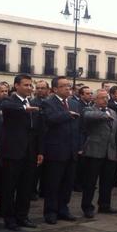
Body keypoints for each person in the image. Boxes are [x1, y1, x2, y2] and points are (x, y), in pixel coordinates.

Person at [0, 74, 42, 230]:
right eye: (26, 85)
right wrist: (25, 108)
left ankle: (22, 216)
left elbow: (37, 130)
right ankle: (9, 218)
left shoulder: (34, 103)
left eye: (31, 85)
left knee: (26, 186)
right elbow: (6, 107)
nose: (29, 88)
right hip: (13, 151)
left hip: (30, 152)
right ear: (16, 86)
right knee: (9, 186)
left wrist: (39, 151)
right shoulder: (9, 101)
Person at [41, 76, 81, 224]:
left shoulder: (74, 103)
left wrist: (79, 146)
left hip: (72, 150)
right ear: (55, 89)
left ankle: (63, 209)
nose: (67, 88)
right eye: (64, 86)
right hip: (56, 150)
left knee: (67, 183)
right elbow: (50, 119)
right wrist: (67, 114)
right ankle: (50, 211)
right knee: (53, 184)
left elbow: (79, 127)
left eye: (69, 85)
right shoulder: (48, 103)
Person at [81, 90, 117, 216]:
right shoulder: (88, 110)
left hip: (110, 151)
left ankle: (105, 205)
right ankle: (87, 207)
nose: (105, 100)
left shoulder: (113, 112)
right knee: (90, 182)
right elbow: (89, 116)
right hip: (94, 152)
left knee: (107, 181)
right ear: (95, 99)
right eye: (102, 98)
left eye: (107, 98)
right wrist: (104, 115)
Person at [31, 80, 50, 199]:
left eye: (42, 88)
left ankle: (44, 190)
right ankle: (32, 190)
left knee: (47, 168)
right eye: (38, 88)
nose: (40, 90)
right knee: (35, 168)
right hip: (37, 138)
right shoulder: (33, 103)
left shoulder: (50, 102)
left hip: (50, 137)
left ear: (48, 90)